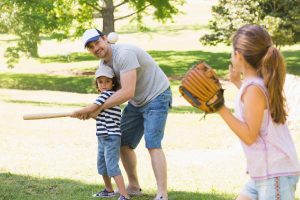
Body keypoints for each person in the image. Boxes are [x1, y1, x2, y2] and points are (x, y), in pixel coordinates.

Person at [80, 28, 172, 200]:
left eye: (97, 42)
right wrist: (95, 109)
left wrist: (95, 108)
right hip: (137, 102)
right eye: (91, 47)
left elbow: (127, 92)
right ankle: (134, 186)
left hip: (157, 96)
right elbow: (112, 94)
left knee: (153, 143)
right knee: (122, 142)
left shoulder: (124, 53)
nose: (96, 48)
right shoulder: (104, 66)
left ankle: (162, 194)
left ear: (105, 39)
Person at [216, 25, 300, 199]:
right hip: (266, 171)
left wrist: (219, 108)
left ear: (238, 55)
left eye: (232, 51)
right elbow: (254, 108)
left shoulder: (254, 88)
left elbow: (249, 135)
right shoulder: (254, 86)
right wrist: (238, 84)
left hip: (275, 173)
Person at [70, 66, 131, 200]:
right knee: (102, 164)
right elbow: (99, 115)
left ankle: (124, 195)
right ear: (96, 83)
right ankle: (108, 190)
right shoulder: (108, 97)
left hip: (111, 136)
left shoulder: (107, 95)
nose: (103, 84)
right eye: (100, 81)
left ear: (113, 83)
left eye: (107, 81)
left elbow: (92, 108)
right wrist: (87, 115)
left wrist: (77, 112)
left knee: (112, 166)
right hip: (103, 136)